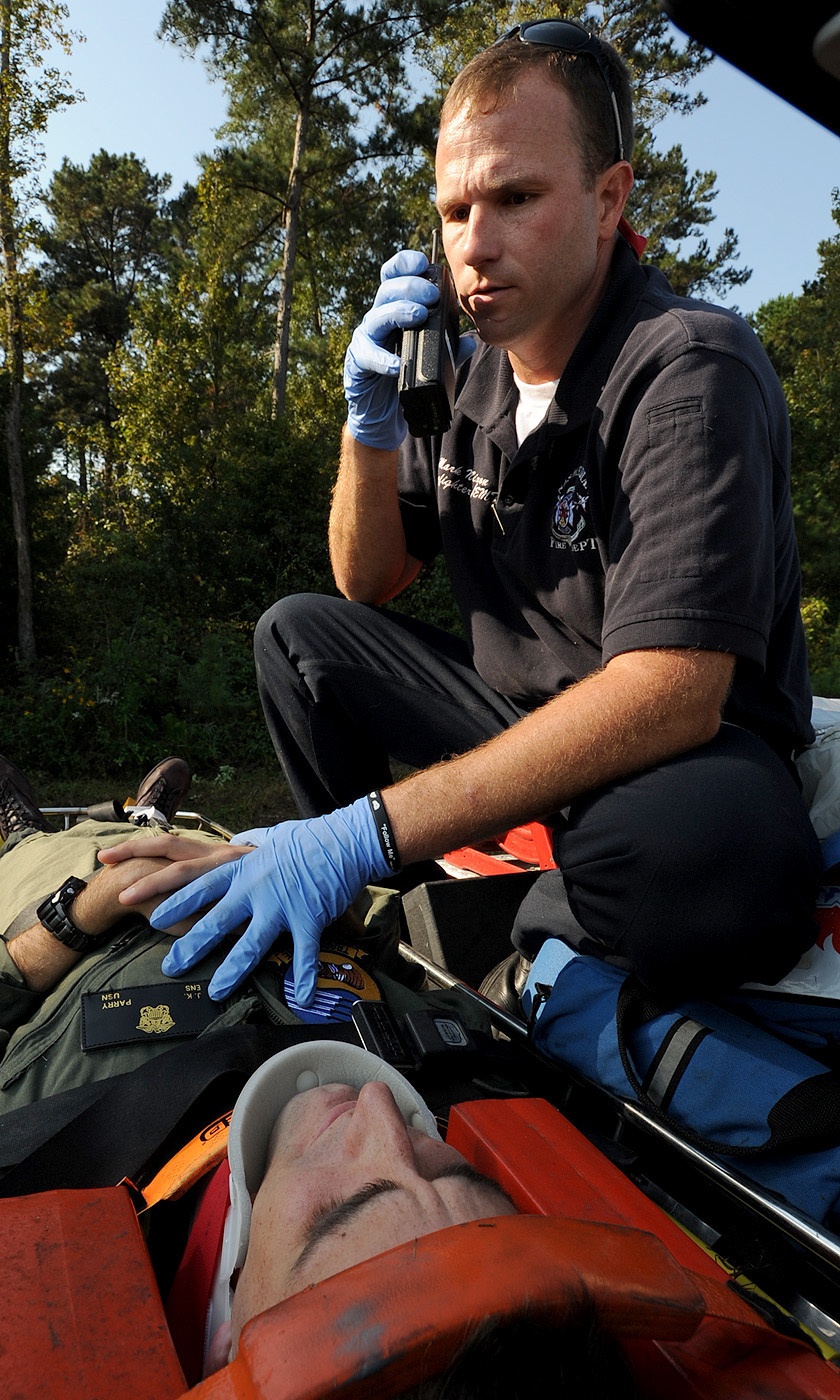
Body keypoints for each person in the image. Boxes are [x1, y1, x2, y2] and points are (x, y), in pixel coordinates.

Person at [109, 18, 823, 1010]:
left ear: (609, 198)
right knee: (297, 634)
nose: (473, 247)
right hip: (511, 711)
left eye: (515, 198)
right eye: (452, 211)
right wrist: (363, 426)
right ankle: (376, 909)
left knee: (707, 859)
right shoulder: (465, 381)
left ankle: (470, 927)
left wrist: (368, 821)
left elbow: (673, 691)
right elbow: (369, 579)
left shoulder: (683, 365)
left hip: (677, 748)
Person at [0, 753, 485, 1302]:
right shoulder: (486, 1086)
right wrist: (306, 891)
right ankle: (150, 819)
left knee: (48, 864)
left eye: (352, 1204)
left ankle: (24, 838)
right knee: (155, 843)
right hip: (248, 893)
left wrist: (80, 914)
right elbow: (384, 942)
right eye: (450, 1170)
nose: (385, 1106)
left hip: (58, 930)